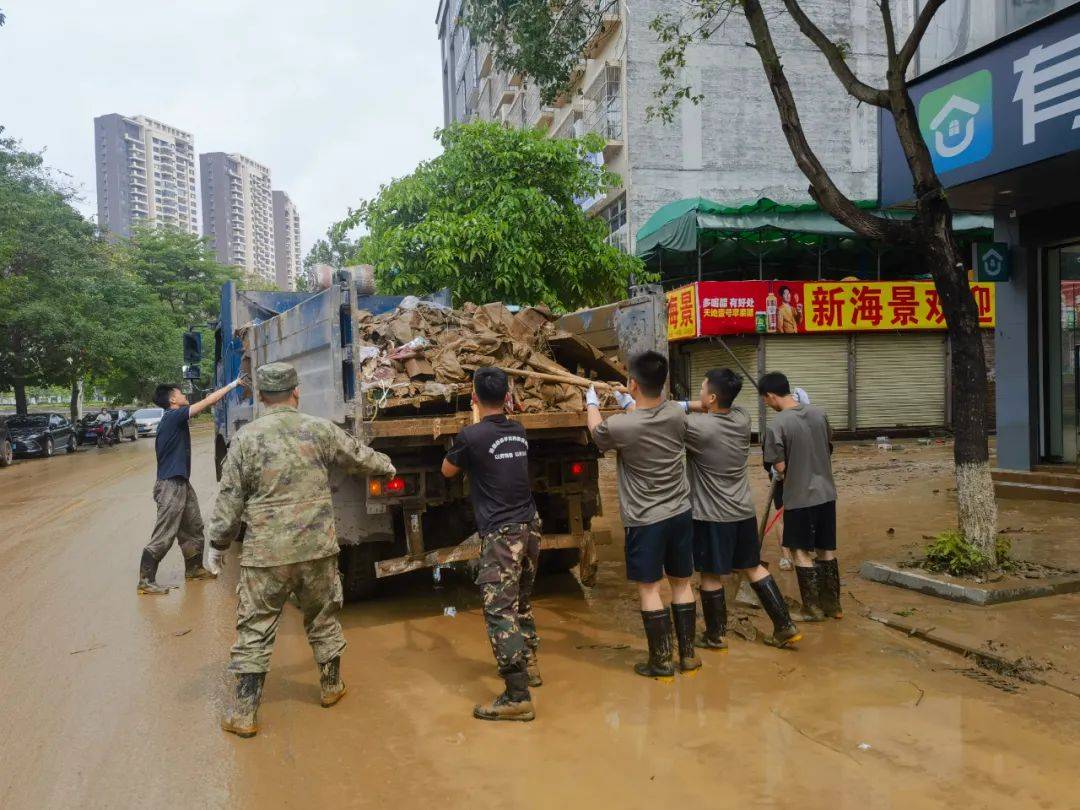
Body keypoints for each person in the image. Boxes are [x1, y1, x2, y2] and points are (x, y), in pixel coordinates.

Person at [207, 362, 395, 738]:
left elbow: (229, 500)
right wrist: (387, 467)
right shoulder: (319, 428)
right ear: (296, 391)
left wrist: (218, 544)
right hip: (316, 549)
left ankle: (244, 714)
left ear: (261, 396)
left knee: (255, 628)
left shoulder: (245, 439)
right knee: (323, 618)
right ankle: (331, 687)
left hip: (266, 555)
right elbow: (359, 457)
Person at [586, 350, 698, 679]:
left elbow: (597, 433)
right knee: (681, 583)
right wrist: (629, 402)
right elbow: (649, 414)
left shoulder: (621, 426)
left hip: (645, 519)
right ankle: (688, 656)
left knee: (649, 589)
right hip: (680, 511)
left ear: (633, 384)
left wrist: (591, 402)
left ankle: (661, 662)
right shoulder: (676, 414)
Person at [442, 367, 542, 722]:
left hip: (503, 534)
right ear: (507, 398)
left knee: (499, 610)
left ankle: (517, 696)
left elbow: (447, 470)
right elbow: (493, 435)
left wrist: (470, 430)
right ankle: (530, 666)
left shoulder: (470, 436)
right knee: (520, 601)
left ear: (473, 397)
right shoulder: (518, 430)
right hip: (531, 526)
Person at [681, 369, 801, 649]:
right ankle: (785, 625)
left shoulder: (698, 428)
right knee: (752, 566)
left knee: (709, 574)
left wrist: (682, 405)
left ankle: (715, 635)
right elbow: (711, 406)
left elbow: (665, 418)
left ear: (712, 397)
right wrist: (697, 403)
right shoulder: (742, 417)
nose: (699, 393)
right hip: (743, 511)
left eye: (702, 388)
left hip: (711, 515)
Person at [137, 377, 242, 595]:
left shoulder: (174, 418)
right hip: (170, 485)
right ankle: (145, 581)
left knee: (193, 527)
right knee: (165, 533)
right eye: (180, 393)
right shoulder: (173, 416)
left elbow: (206, 401)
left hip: (181, 482)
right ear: (173, 400)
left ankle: (193, 570)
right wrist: (234, 384)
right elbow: (207, 402)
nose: (185, 395)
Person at [759, 371, 841, 622]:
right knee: (825, 549)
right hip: (826, 493)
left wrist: (778, 469)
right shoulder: (819, 413)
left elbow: (780, 467)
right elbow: (828, 446)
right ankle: (833, 606)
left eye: (765, 400)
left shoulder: (777, 425)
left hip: (799, 497)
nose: (767, 404)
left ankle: (812, 609)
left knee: (800, 551)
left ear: (771, 395)